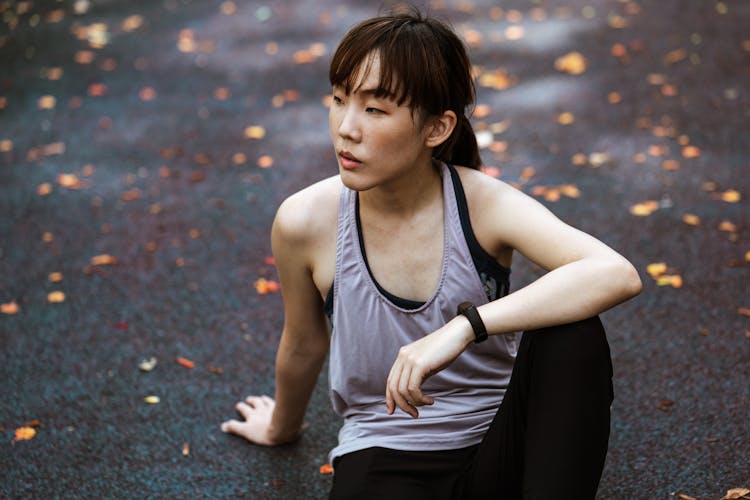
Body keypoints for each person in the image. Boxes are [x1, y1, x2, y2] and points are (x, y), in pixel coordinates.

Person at [221, 6, 642, 499]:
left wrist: (465, 326)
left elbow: (615, 272)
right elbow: (303, 341)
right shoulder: (305, 221)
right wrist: (280, 427)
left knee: (572, 329)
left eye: (375, 109)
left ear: (436, 129)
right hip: (384, 454)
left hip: (499, 445)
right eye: (339, 100)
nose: (346, 128)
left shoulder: (481, 204)